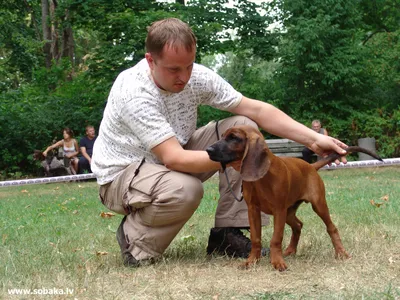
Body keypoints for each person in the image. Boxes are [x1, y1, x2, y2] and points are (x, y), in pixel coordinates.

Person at [91, 18, 348, 268]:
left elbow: (256, 110)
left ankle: (227, 234)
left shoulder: (195, 77)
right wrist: (244, 159)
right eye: (174, 69)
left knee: (244, 127)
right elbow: (174, 158)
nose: (184, 76)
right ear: (150, 60)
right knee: (186, 189)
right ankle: (134, 241)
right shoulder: (135, 91)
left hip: (169, 158)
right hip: (123, 175)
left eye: (189, 66)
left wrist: (314, 138)